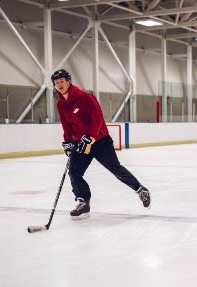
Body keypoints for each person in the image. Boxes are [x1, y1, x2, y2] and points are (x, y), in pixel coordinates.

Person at [51, 68, 150, 219]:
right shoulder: (61, 104)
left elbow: (97, 118)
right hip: (80, 144)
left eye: (62, 81)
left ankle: (140, 189)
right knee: (74, 172)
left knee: (115, 168)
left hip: (100, 141)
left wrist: (90, 137)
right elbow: (66, 126)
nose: (59, 84)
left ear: (69, 81)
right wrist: (68, 143)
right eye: (56, 82)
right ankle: (83, 201)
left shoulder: (84, 96)